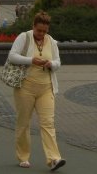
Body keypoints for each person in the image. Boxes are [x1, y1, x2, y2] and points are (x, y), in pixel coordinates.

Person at [8, 11, 65, 171]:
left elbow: (58, 62)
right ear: (33, 26)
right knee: (23, 122)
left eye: (44, 31)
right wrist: (30, 60)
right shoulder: (24, 37)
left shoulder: (51, 41)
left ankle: (54, 158)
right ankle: (23, 156)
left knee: (48, 123)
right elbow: (12, 56)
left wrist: (51, 64)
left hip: (46, 88)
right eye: (39, 30)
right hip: (25, 87)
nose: (41, 34)